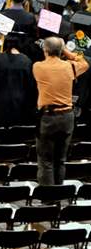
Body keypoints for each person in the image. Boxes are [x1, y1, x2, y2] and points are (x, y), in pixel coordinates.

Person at [33, 36, 88, 186]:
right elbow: (84, 63)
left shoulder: (38, 66)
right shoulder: (69, 67)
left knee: (46, 161)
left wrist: (57, 49)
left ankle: (48, 198)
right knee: (60, 160)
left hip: (48, 117)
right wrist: (65, 50)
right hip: (67, 117)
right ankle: (58, 195)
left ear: (45, 49)